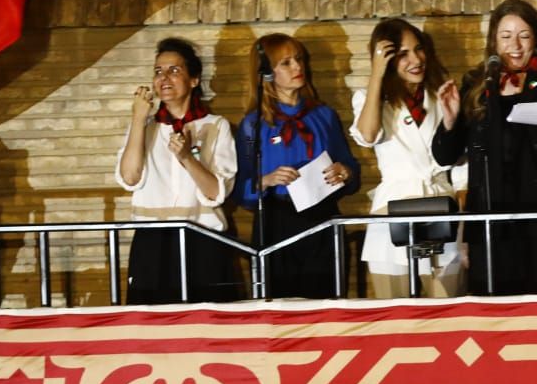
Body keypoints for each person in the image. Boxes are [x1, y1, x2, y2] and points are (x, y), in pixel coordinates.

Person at [432, 0, 537, 295]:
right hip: (495, 222)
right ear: (494, 41)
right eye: (506, 36)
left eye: (524, 35)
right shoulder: (479, 83)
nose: (515, 45)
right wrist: (450, 120)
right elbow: (445, 155)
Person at [116, 38, 240, 303]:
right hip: (152, 242)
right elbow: (129, 178)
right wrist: (138, 119)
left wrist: (187, 158)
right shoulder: (145, 127)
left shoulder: (216, 125)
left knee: (209, 327)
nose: (164, 78)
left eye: (174, 70)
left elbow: (217, 192)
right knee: (152, 330)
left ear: (194, 79)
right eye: (158, 71)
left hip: (203, 239)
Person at [237, 34, 360, 299]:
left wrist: (346, 172)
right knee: (279, 308)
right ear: (267, 73)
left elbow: (352, 171)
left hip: (323, 218)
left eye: (299, 59)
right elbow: (241, 191)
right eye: (286, 63)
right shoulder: (252, 125)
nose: (297, 67)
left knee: (327, 304)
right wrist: (267, 180)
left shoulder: (324, 115)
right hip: (276, 222)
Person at [351, 19, 466, 298]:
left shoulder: (442, 97)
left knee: (448, 306)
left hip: (442, 206)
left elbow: (462, 162)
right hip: (392, 210)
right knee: (395, 313)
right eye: (403, 54)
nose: (415, 60)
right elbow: (367, 135)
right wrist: (377, 76)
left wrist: (464, 216)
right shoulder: (369, 98)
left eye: (419, 50)